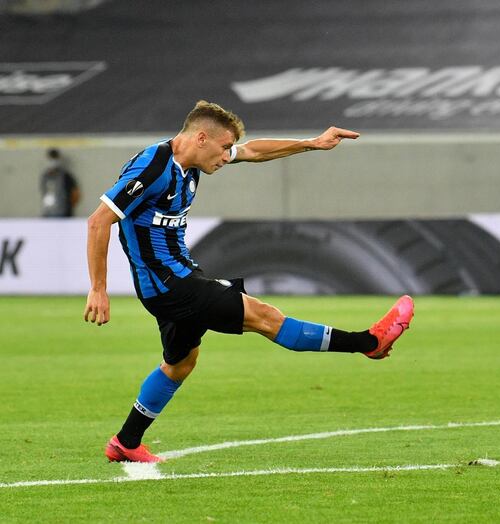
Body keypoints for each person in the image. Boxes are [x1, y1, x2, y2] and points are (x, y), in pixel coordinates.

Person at [84, 100, 415, 463]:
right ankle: (368, 342)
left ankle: (126, 442)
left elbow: (254, 150)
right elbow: (99, 221)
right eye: (224, 148)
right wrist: (99, 289)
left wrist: (311, 143)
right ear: (201, 137)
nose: (227, 157)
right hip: (169, 286)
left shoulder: (190, 160)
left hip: (181, 277)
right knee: (265, 317)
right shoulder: (154, 167)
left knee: (180, 364)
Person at [40, 148, 80, 217]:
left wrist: (69, 207)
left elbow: (75, 193)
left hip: (63, 214)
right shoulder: (45, 177)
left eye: (54, 159)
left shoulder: (65, 176)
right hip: (48, 213)